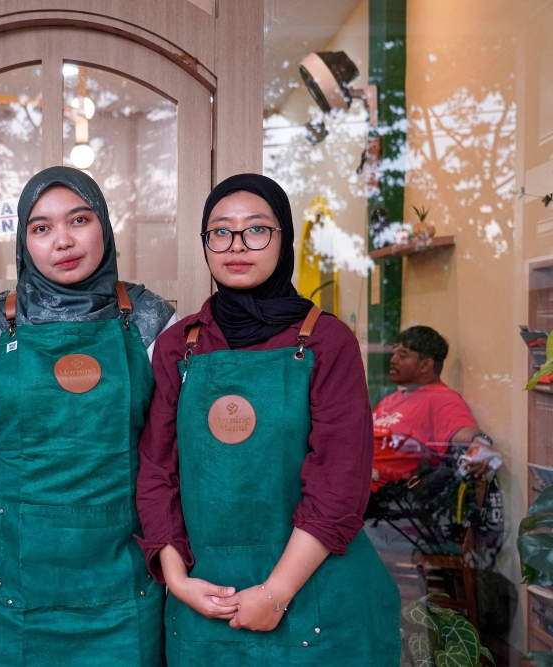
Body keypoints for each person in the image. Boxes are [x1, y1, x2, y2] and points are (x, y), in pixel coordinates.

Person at [136, 173, 400, 665]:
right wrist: (177, 580)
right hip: (204, 598)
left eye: (257, 230)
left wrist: (276, 592)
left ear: (284, 239)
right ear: (205, 244)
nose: (237, 245)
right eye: (220, 231)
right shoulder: (180, 345)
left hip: (315, 598)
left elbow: (339, 484)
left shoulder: (327, 340)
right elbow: (156, 472)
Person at [0, 167, 177, 667]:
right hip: (11, 579)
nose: (63, 240)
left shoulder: (151, 321)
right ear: (24, 241)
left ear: (103, 224)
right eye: (41, 228)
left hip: (124, 575)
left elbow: (172, 457)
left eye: (79, 219)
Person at [370, 325, 501, 492]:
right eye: (394, 353)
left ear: (425, 365)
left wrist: (481, 444)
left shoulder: (441, 398)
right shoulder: (391, 399)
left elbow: (470, 434)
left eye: (402, 355)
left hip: (389, 502)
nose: (393, 360)